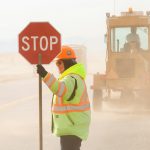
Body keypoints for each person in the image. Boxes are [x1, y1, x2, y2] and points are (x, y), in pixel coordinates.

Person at [36, 45, 91, 150]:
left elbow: (61, 89)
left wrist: (45, 75)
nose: (57, 65)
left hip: (71, 128)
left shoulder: (71, 78)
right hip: (72, 126)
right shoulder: (74, 76)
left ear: (67, 62)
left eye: (59, 62)